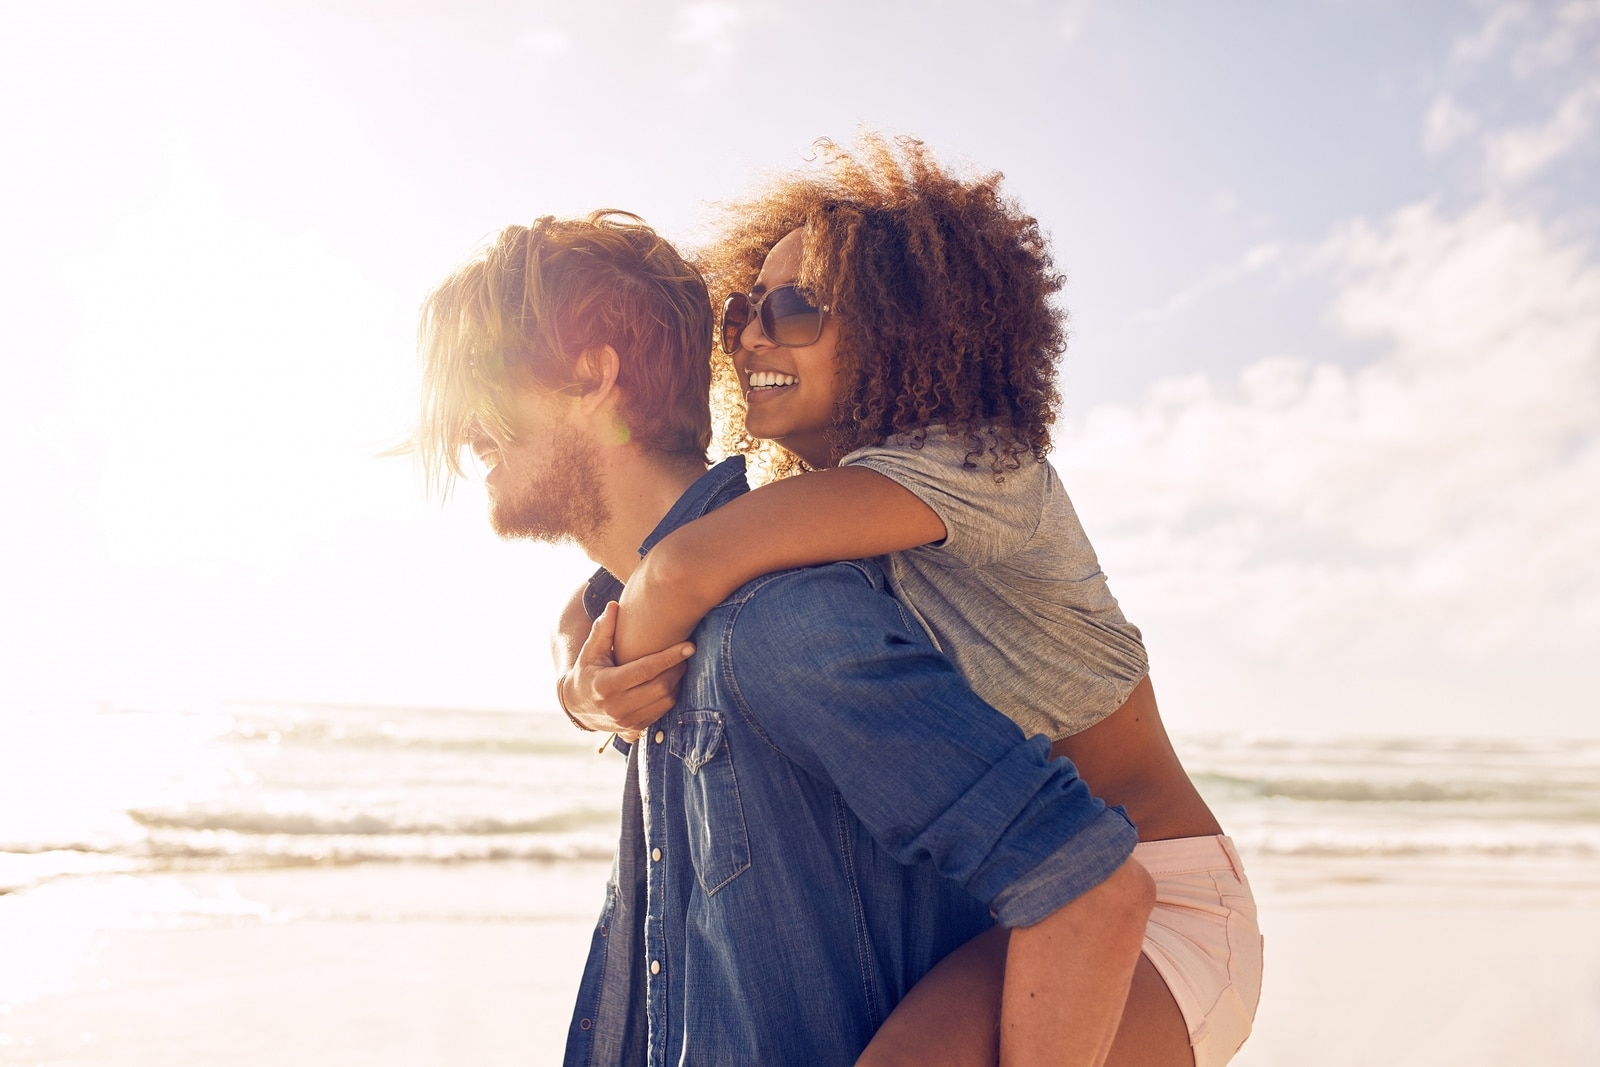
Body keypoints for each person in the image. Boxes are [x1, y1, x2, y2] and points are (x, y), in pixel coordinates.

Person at [559, 137, 1262, 1067]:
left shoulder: (983, 467)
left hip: (1154, 901)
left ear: (906, 326)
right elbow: (612, 587)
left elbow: (680, 567)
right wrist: (581, 677)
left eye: (797, 308)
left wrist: (603, 690)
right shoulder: (818, 513)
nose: (753, 336)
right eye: (743, 311)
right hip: (1026, 902)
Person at [413, 210, 1155, 1066]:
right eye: (743, 316)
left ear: (593, 376)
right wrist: (577, 683)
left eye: (484, 385)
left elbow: (1085, 885)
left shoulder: (776, 620)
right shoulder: (659, 634)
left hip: (1172, 882)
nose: (466, 428)